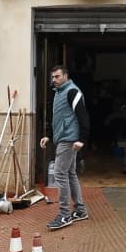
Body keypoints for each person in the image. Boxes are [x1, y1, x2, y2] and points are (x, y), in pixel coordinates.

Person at [39, 64, 91, 230]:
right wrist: (49, 136)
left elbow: (83, 116)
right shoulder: (59, 92)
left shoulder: (72, 92)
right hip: (63, 138)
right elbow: (60, 118)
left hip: (69, 140)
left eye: (57, 76)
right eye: (52, 77)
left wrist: (81, 139)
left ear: (66, 76)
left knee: (60, 174)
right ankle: (81, 211)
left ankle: (64, 214)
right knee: (69, 173)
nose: (54, 80)